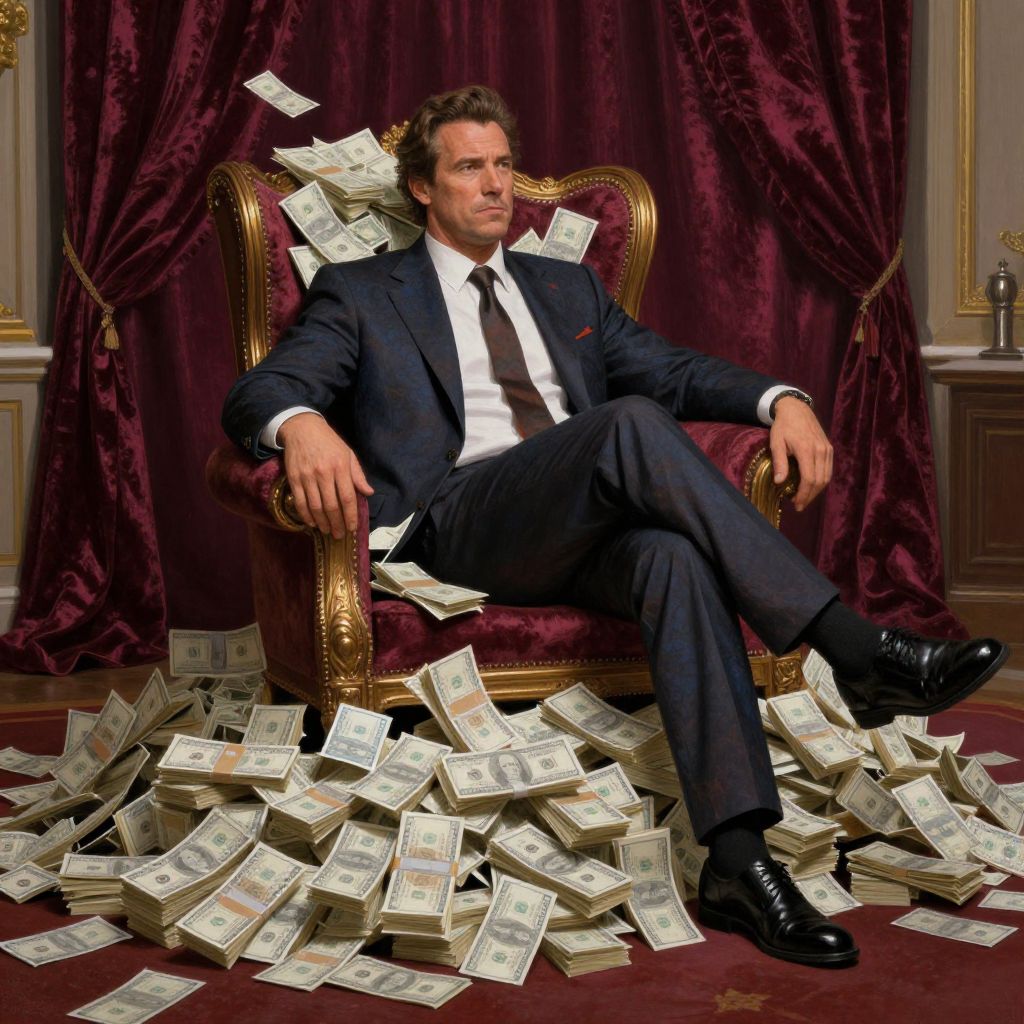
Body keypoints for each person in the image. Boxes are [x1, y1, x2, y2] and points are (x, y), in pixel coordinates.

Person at [222, 85, 1007, 968]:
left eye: (503, 165)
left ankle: (741, 861)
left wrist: (781, 396)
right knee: (626, 425)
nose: (495, 186)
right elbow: (263, 388)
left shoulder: (564, 285)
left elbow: (669, 370)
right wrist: (301, 424)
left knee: (670, 555)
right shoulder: (363, 290)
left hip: (579, 525)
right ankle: (855, 649)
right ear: (421, 189)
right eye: (469, 167)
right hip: (459, 527)